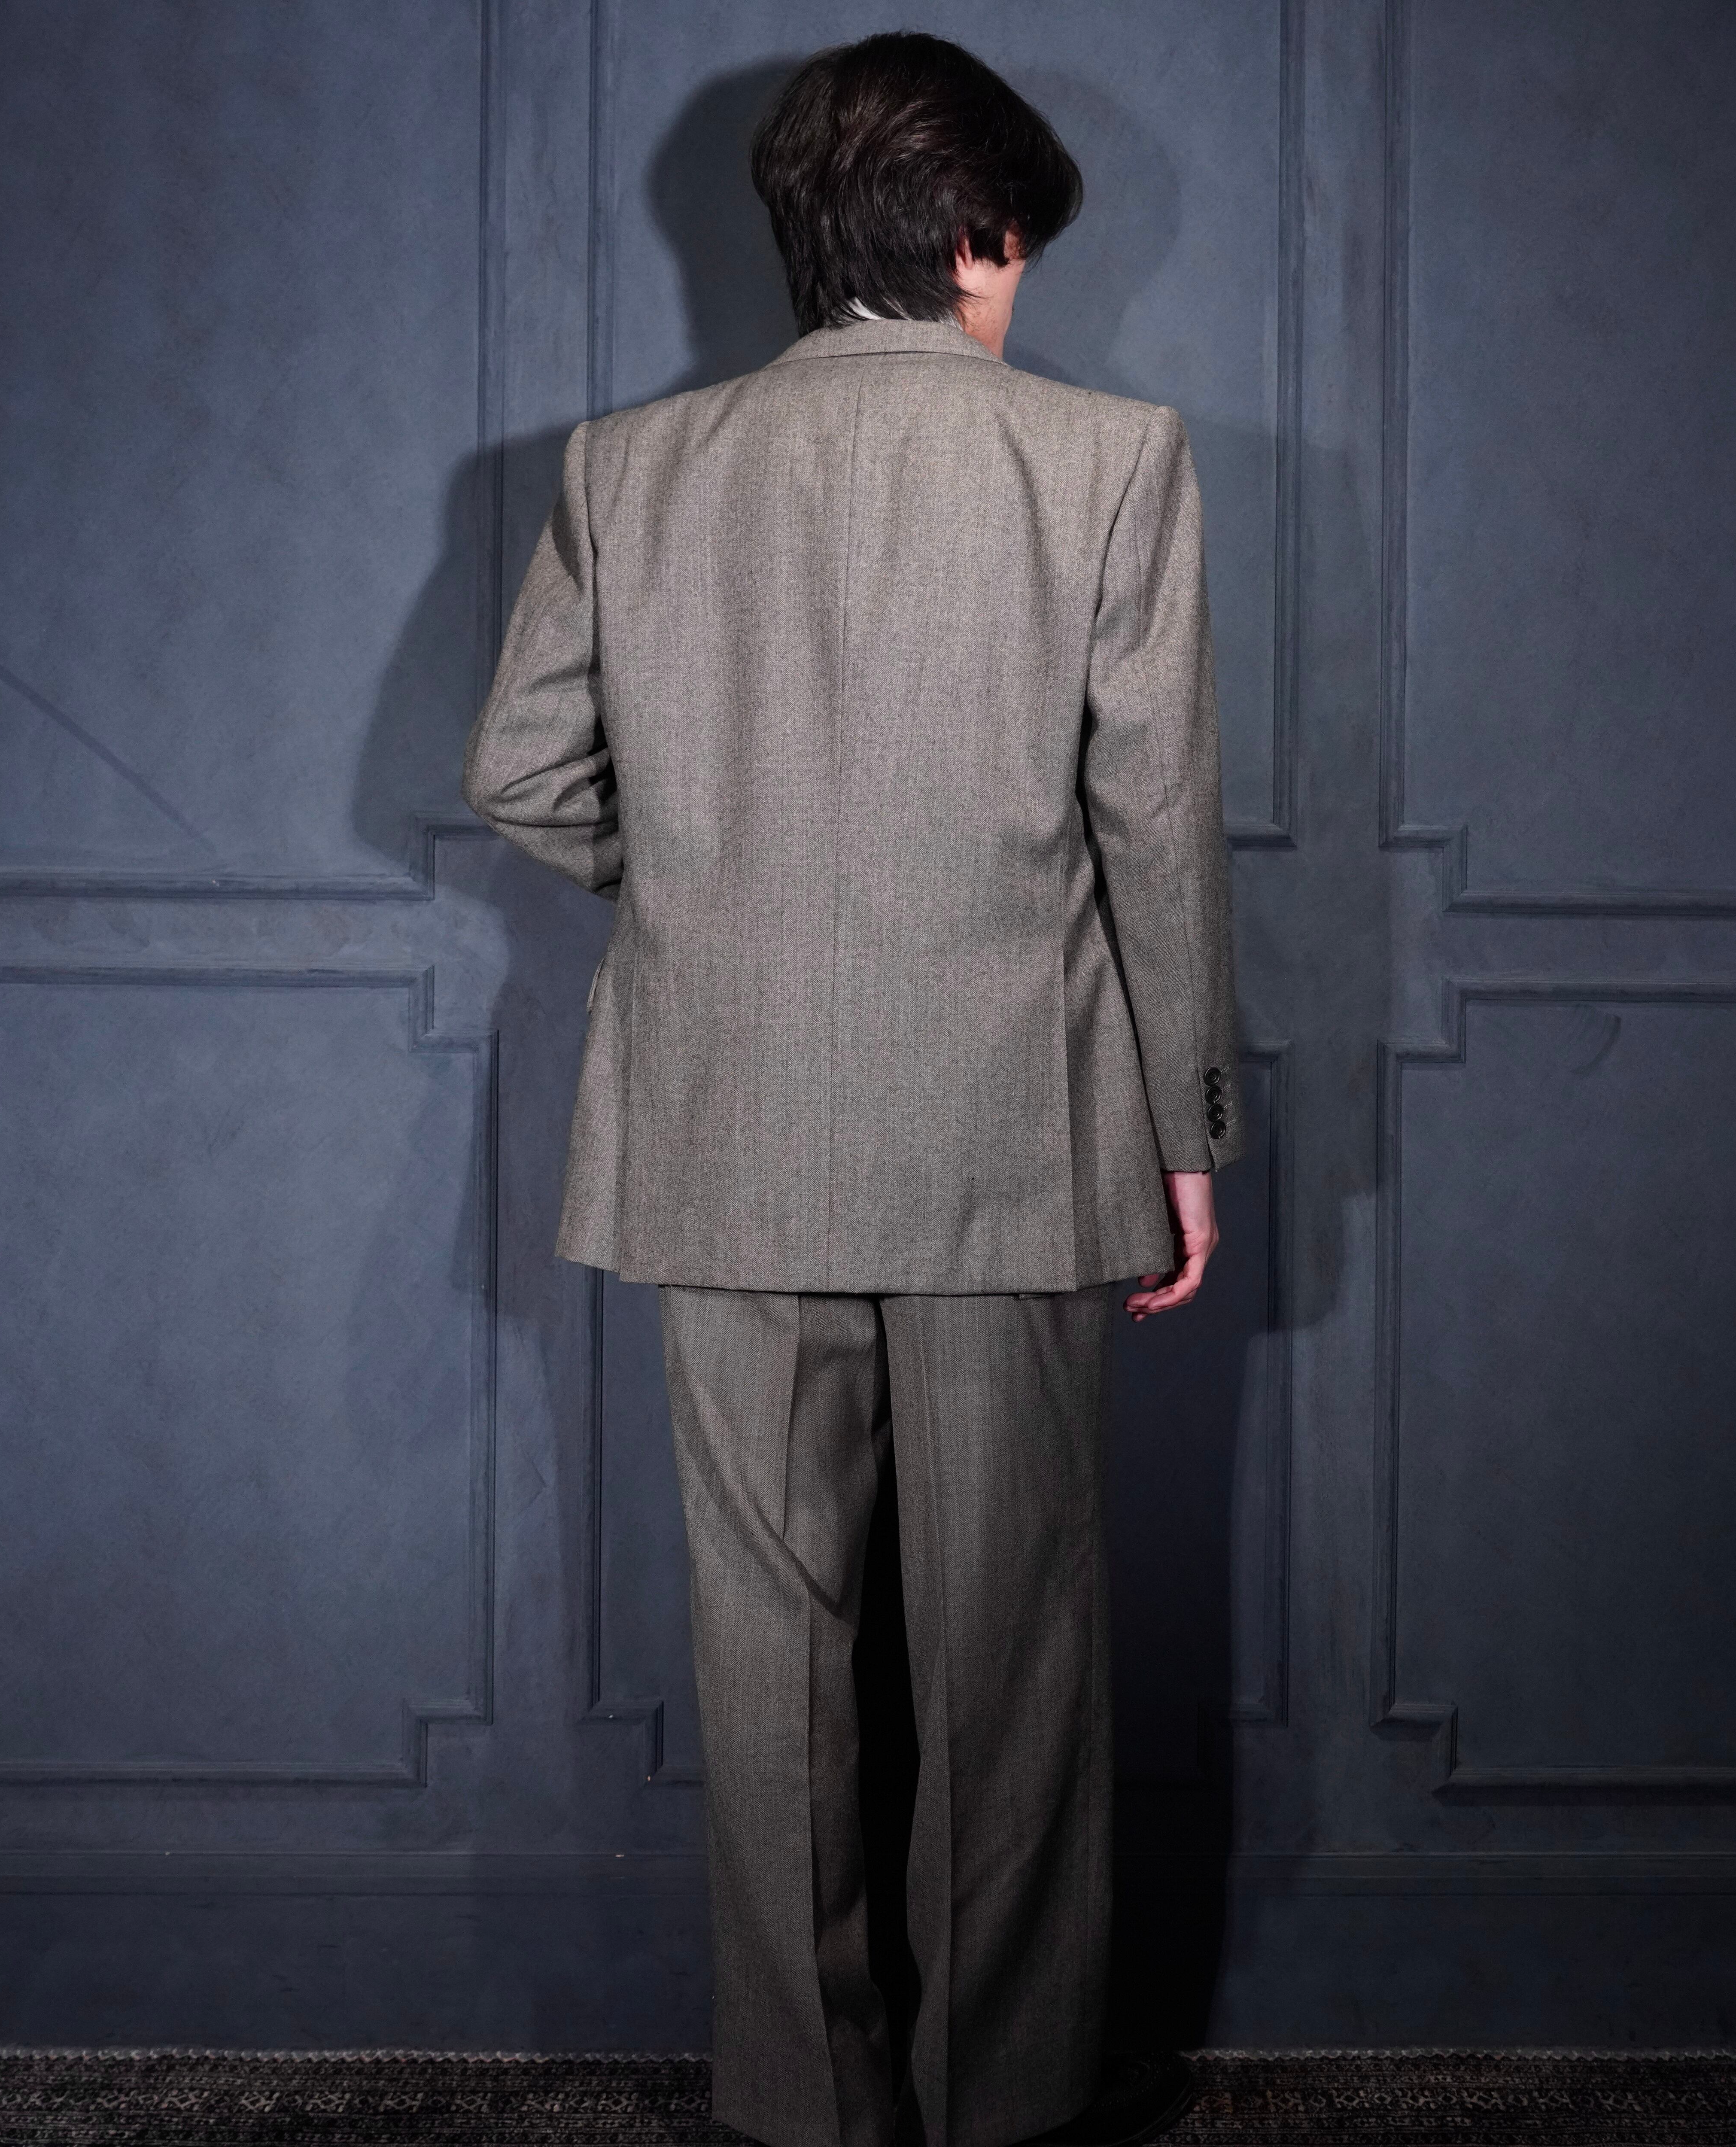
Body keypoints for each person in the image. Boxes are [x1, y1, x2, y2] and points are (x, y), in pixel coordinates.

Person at [462, 30, 1241, 2147]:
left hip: (725, 1132)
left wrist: (706, 889)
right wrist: (1184, 1133)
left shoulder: (630, 467)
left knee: (769, 1645)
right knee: (1010, 1657)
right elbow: (1155, 829)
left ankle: (804, 2104)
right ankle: (1006, 2100)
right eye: (1021, 247)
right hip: (1015, 1134)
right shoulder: (1107, 461)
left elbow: (517, 769)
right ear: (976, 232)